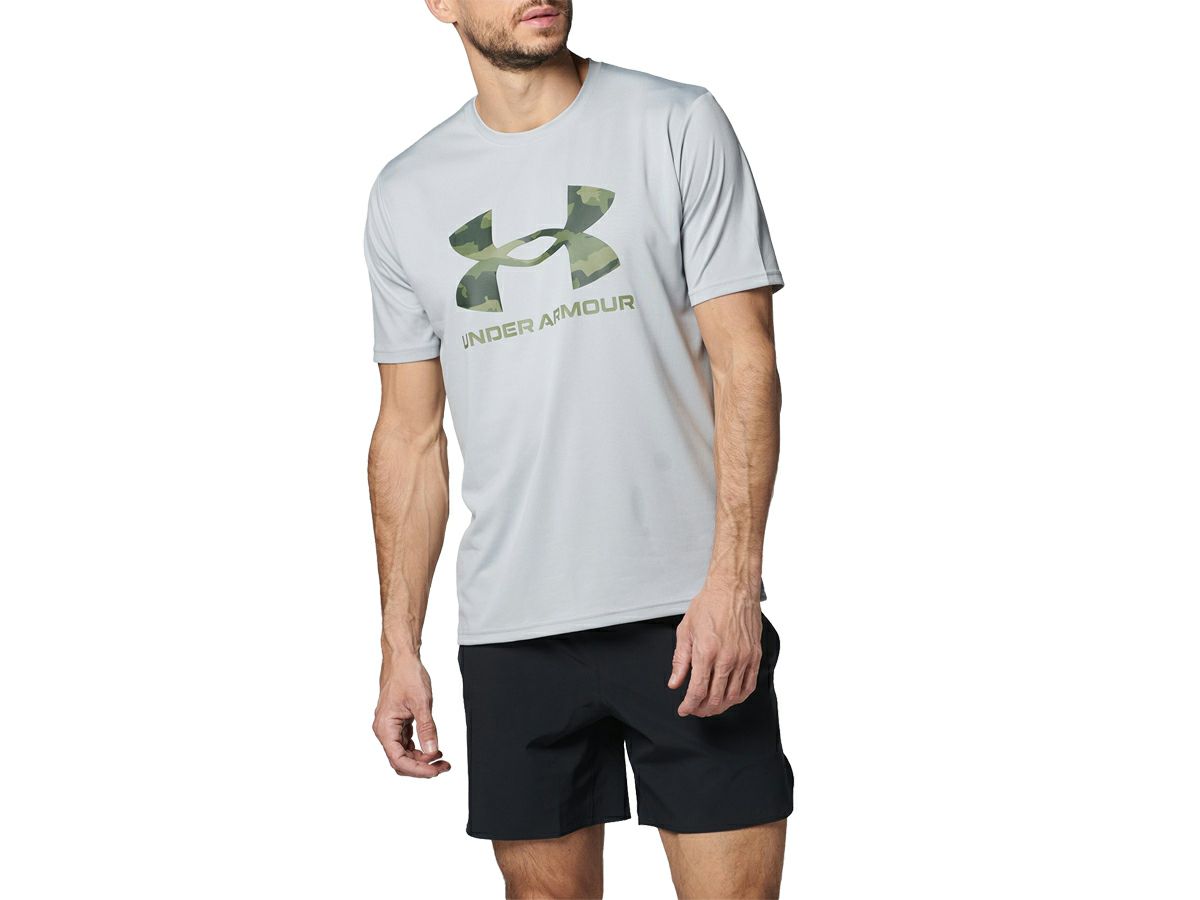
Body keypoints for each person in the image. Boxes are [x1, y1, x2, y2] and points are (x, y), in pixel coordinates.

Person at [363, 1, 791, 896]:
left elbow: (746, 364)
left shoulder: (675, 124)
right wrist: (399, 644)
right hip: (512, 629)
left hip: (685, 611)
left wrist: (732, 581)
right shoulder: (407, 194)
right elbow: (409, 436)